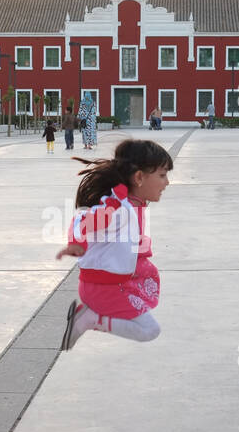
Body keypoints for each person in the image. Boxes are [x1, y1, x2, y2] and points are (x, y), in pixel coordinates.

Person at [55, 139, 172, 350]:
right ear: (139, 178)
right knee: (150, 331)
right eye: (162, 175)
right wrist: (75, 243)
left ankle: (90, 316)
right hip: (103, 287)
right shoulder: (118, 209)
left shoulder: (133, 204)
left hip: (111, 282)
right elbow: (82, 221)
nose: (167, 182)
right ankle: (89, 319)